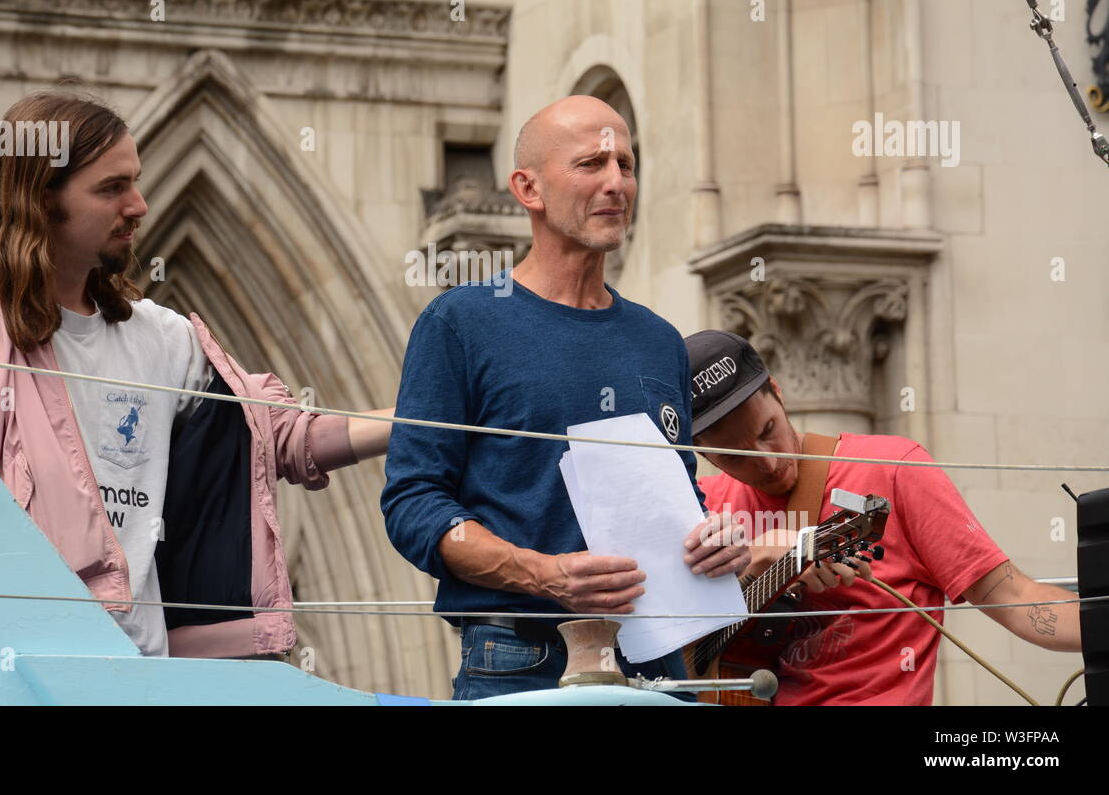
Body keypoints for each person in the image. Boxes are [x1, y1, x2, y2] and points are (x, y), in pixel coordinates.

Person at [0, 91, 393, 659]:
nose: (139, 204)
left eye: (135, 181)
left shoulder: (164, 337)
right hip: (15, 674)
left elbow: (281, 436)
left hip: (144, 677)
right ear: (38, 199)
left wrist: (428, 420)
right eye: (111, 188)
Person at [381, 96, 749, 700]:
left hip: (657, 665)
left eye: (626, 166)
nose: (616, 184)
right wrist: (544, 574)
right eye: (591, 165)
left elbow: (676, 496)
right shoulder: (459, 323)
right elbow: (413, 503)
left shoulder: (659, 341)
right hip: (518, 659)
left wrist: (714, 539)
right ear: (528, 188)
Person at [686, 329, 1082, 705]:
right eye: (736, 456)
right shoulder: (705, 504)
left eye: (767, 430)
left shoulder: (893, 469)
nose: (769, 462)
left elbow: (1013, 597)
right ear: (702, 455)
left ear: (777, 391)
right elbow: (641, 637)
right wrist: (756, 561)